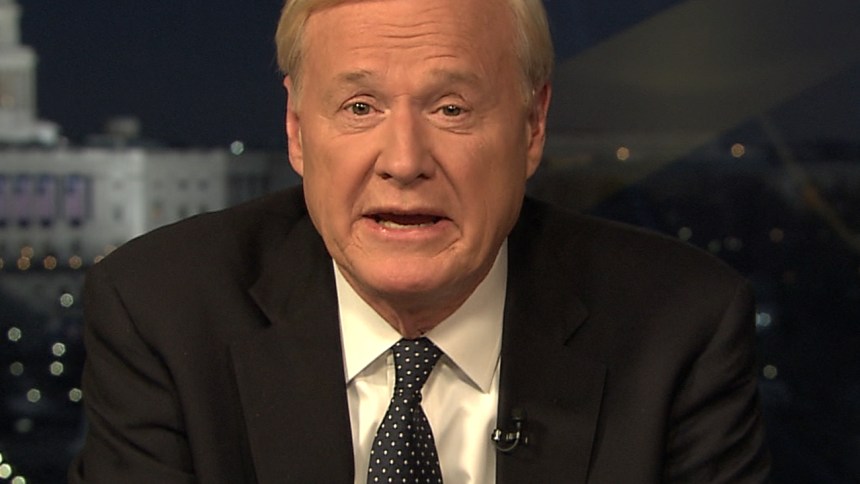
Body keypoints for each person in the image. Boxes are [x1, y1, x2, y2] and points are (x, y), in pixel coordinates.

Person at [69, 0, 770, 482]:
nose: (404, 161)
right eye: (360, 107)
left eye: (451, 108)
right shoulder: (162, 312)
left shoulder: (678, 326)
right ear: (296, 129)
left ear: (532, 126)